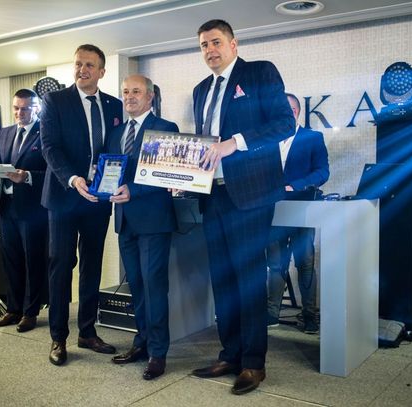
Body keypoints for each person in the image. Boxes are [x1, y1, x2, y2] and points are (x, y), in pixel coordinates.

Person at [190, 19, 295, 395]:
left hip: (250, 194)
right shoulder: (201, 90)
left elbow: (284, 124)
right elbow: (205, 144)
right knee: (222, 280)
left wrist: (234, 142)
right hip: (212, 195)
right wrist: (184, 174)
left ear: (233, 44)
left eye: (216, 42)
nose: (210, 50)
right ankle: (230, 354)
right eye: (204, 45)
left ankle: (253, 363)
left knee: (248, 279)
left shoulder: (260, 73)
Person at [40, 44, 123, 366]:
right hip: (64, 195)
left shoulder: (114, 105)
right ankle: (58, 337)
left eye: (89, 65)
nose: (82, 70)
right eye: (78, 64)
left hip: (97, 199)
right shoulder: (55, 100)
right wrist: (73, 178)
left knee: (92, 265)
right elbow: (50, 147)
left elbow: (117, 149)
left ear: (101, 71)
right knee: (61, 265)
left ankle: (87, 331)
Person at [107, 74, 179, 380]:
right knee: (136, 287)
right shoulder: (116, 132)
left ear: (150, 97)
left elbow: (165, 175)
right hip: (124, 220)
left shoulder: (166, 128)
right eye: (125, 92)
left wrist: (133, 191)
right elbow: (112, 170)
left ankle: (158, 353)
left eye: (136, 91)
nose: (129, 97)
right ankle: (142, 343)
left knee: (154, 288)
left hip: (153, 221)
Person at [266, 93, 329, 333]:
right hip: (273, 210)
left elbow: (322, 172)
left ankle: (310, 316)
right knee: (275, 263)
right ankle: (271, 314)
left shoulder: (312, 138)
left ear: (294, 112)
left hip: (302, 209)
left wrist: (296, 186)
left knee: (305, 263)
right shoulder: (268, 140)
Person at [0, 88, 48, 333]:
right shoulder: (5, 133)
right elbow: (4, 163)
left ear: (36, 108)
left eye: (24, 108)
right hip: (7, 206)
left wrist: (28, 176)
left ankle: (30, 312)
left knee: (33, 261)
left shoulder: (46, 132)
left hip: (33, 209)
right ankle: (13, 309)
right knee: (11, 260)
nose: (19, 113)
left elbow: (53, 173)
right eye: (15, 108)